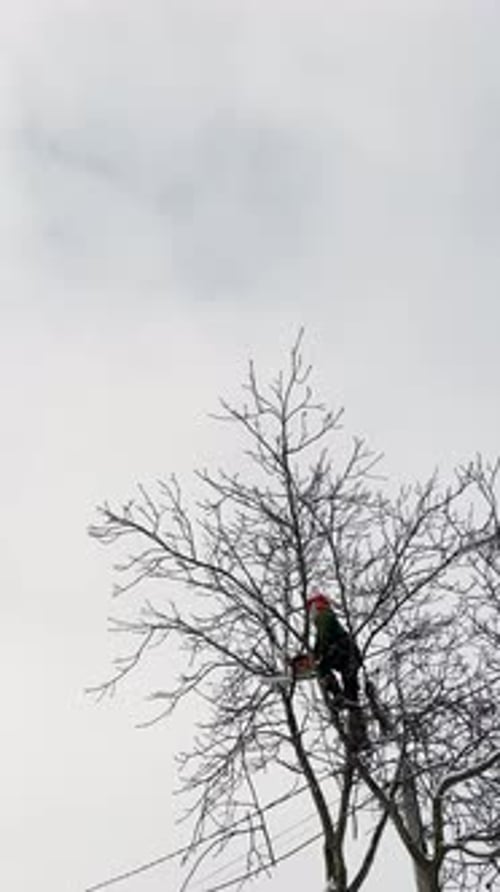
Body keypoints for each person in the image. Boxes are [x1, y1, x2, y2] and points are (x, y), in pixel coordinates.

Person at [306, 591, 362, 705]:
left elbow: (323, 637)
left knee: (323, 668)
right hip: (351, 652)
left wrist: (317, 656)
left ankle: (337, 693)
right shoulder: (328, 616)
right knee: (349, 678)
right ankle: (351, 700)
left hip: (342, 649)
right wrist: (315, 653)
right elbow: (320, 639)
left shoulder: (323, 616)